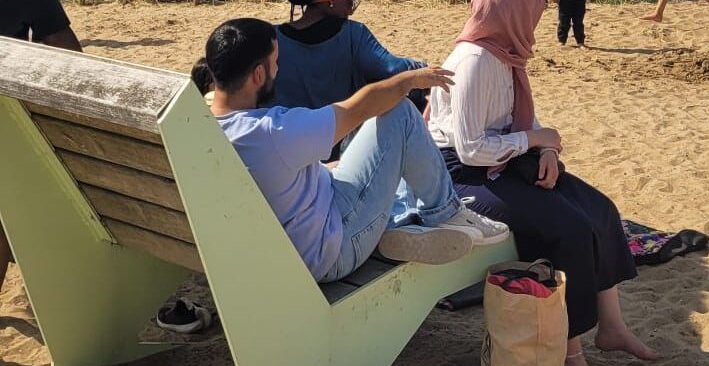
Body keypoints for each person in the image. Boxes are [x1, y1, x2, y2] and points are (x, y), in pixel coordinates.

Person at [429, 0, 656, 366]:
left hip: (504, 160)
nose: (541, 10)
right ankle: (569, 354)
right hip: (463, 177)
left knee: (599, 208)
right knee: (565, 229)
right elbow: (469, 149)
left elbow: (524, 119)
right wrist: (534, 140)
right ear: (512, 10)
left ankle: (612, 327)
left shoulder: (504, 51)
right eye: (535, 3)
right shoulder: (474, 61)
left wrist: (546, 149)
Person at [204, 18, 509, 283]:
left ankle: (403, 220)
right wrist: (409, 79)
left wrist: (322, 170)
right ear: (258, 75)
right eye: (275, 63)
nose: (278, 68)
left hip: (276, 243)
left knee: (354, 152)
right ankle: (446, 211)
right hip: (328, 251)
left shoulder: (198, 128)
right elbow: (357, 108)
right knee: (398, 113)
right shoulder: (273, 132)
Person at [273, 0, 427, 159]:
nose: (351, 8)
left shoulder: (271, 39)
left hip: (282, 148)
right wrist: (420, 67)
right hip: (335, 150)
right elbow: (392, 68)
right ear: (332, 0)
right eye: (349, 0)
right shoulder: (353, 34)